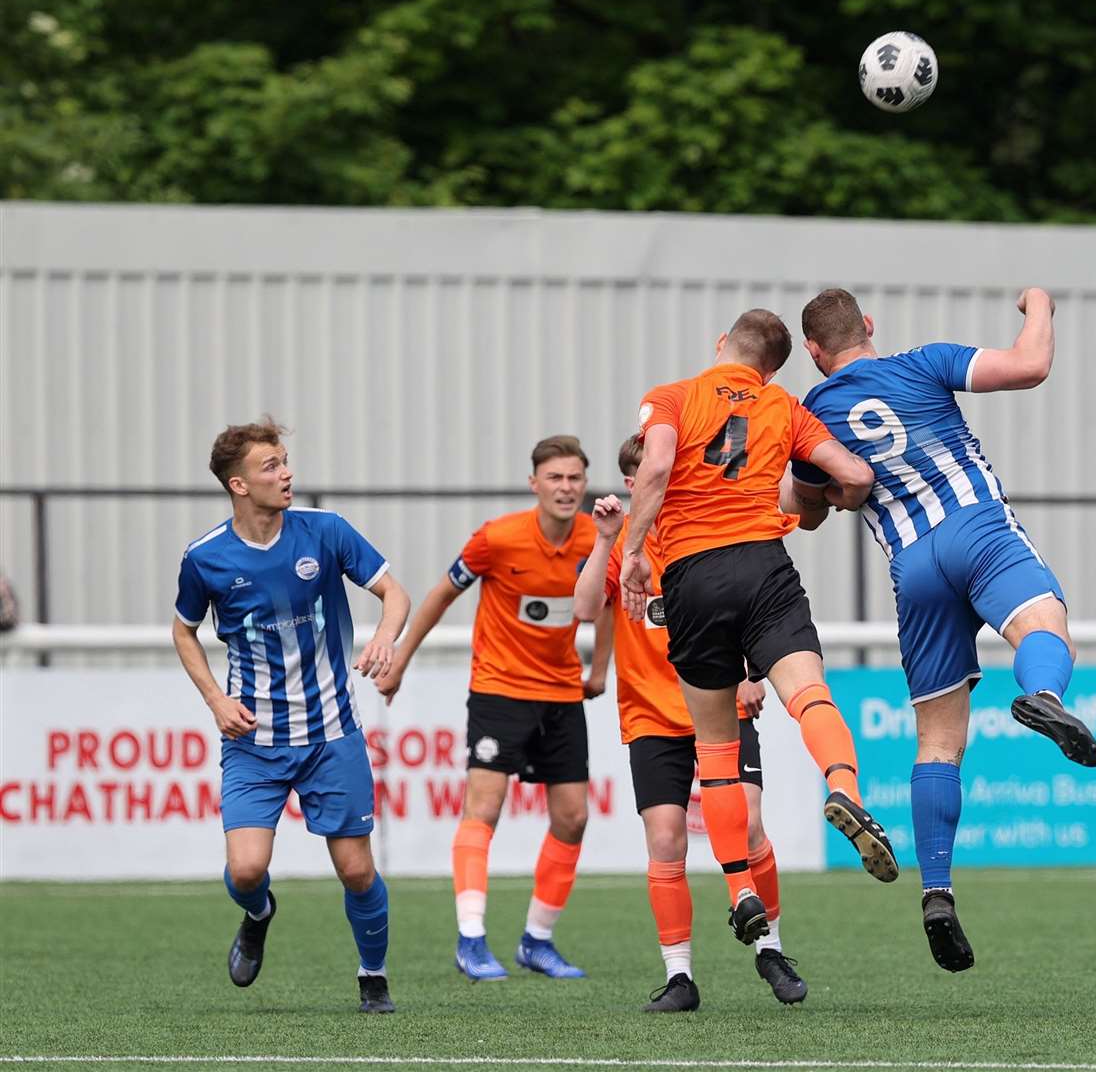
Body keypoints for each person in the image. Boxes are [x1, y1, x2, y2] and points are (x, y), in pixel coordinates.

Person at [793, 286, 1096, 974]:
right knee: (1042, 623)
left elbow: (809, 511)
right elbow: (1028, 367)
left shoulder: (808, 416)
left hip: (913, 563)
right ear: (868, 326)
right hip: (974, 527)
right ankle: (1044, 696)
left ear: (813, 353)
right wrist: (1040, 307)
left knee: (937, 740)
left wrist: (827, 491)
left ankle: (936, 891)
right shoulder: (923, 363)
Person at [618, 308, 897, 953]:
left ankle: (741, 890)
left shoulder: (672, 397)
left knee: (715, 749)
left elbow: (656, 467)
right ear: (774, 365)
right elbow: (855, 476)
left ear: (722, 344)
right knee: (811, 696)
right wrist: (832, 500)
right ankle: (844, 789)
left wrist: (635, 549)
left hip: (693, 574)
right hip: (765, 565)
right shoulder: (787, 407)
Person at [171, 417, 410, 1013]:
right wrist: (215, 700)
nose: (286, 473)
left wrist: (386, 637)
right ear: (239, 485)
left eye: (284, 461)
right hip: (255, 741)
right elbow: (183, 630)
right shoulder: (206, 558)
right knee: (247, 870)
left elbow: (395, 594)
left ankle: (372, 976)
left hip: (332, 734)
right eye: (270, 466)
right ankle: (258, 913)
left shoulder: (325, 533)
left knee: (356, 871)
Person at [576, 434, 807, 1012]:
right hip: (651, 717)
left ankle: (771, 950)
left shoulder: (710, 528)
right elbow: (582, 608)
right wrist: (606, 539)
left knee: (750, 826)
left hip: (720, 707)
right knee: (665, 840)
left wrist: (753, 672)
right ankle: (680, 977)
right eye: (633, 477)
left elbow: (751, 599)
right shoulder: (625, 545)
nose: (643, 485)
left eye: (652, 473)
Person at [377, 435, 603, 981]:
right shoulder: (497, 539)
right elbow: (438, 595)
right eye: (555, 478)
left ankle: (537, 941)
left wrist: (600, 669)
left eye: (575, 478)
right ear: (535, 484)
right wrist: (401, 658)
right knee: (484, 808)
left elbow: (611, 598)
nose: (566, 488)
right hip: (500, 690)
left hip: (562, 694)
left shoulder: (598, 537)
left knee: (573, 817)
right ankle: (471, 939)